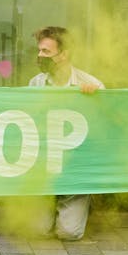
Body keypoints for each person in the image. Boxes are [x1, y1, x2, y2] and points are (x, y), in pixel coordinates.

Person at [27, 26, 104, 240]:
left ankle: (82, 203)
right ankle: (47, 203)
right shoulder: (36, 83)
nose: (40, 56)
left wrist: (96, 100)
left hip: (75, 170)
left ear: (64, 55)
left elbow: (105, 126)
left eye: (46, 51)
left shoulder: (91, 84)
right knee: (38, 230)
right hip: (45, 166)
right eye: (39, 50)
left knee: (69, 232)